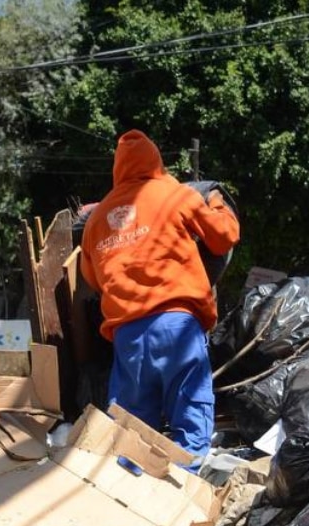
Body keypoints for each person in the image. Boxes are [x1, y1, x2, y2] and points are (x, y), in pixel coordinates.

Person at [80, 128, 240, 462]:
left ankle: (135, 500)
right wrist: (217, 204)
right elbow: (223, 237)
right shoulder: (175, 194)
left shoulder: (97, 218)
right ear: (156, 161)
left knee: (131, 430)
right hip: (177, 324)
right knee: (190, 413)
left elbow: (92, 278)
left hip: (129, 335)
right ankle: (185, 495)